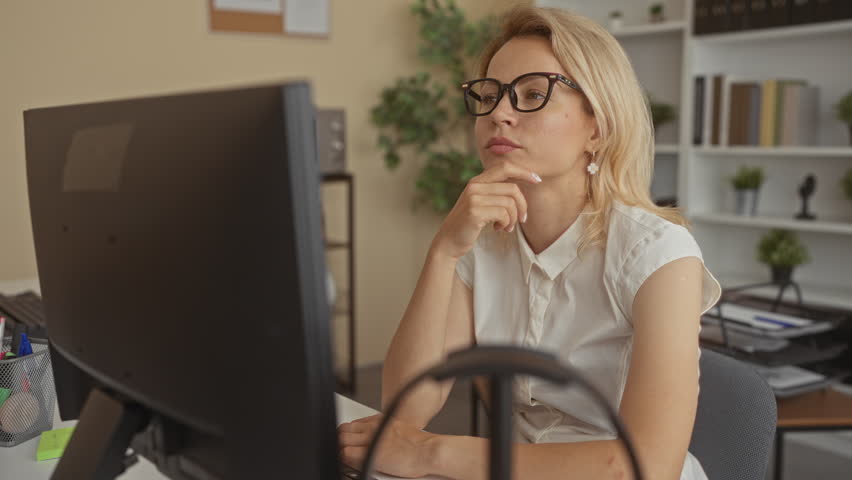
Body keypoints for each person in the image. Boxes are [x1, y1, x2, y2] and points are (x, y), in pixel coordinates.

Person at [338, 6, 721, 480]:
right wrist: (444, 252)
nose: (499, 113)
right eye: (490, 95)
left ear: (598, 127)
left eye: (533, 94)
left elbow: (647, 467)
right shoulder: (483, 240)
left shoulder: (660, 253)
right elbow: (407, 410)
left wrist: (430, 453)